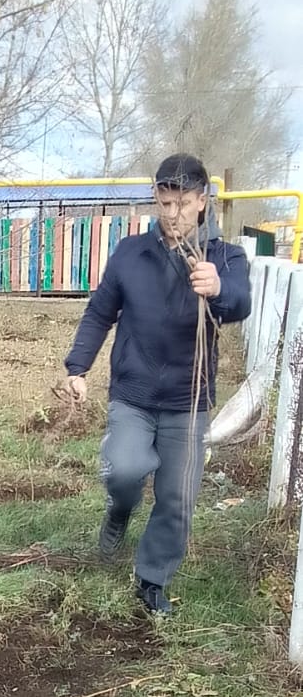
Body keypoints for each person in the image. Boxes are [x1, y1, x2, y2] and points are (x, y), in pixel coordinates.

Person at [63, 154, 252, 615]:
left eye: (183, 203)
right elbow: (99, 312)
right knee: (125, 469)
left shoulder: (225, 258)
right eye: (164, 202)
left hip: (188, 400)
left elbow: (241, 301)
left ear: (202, 201)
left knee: (177, 497)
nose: (172, 215)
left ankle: (151, 579)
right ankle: (120, 508)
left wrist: (218, 289)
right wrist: (77, 367)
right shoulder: (132, 252)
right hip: (134, 392)